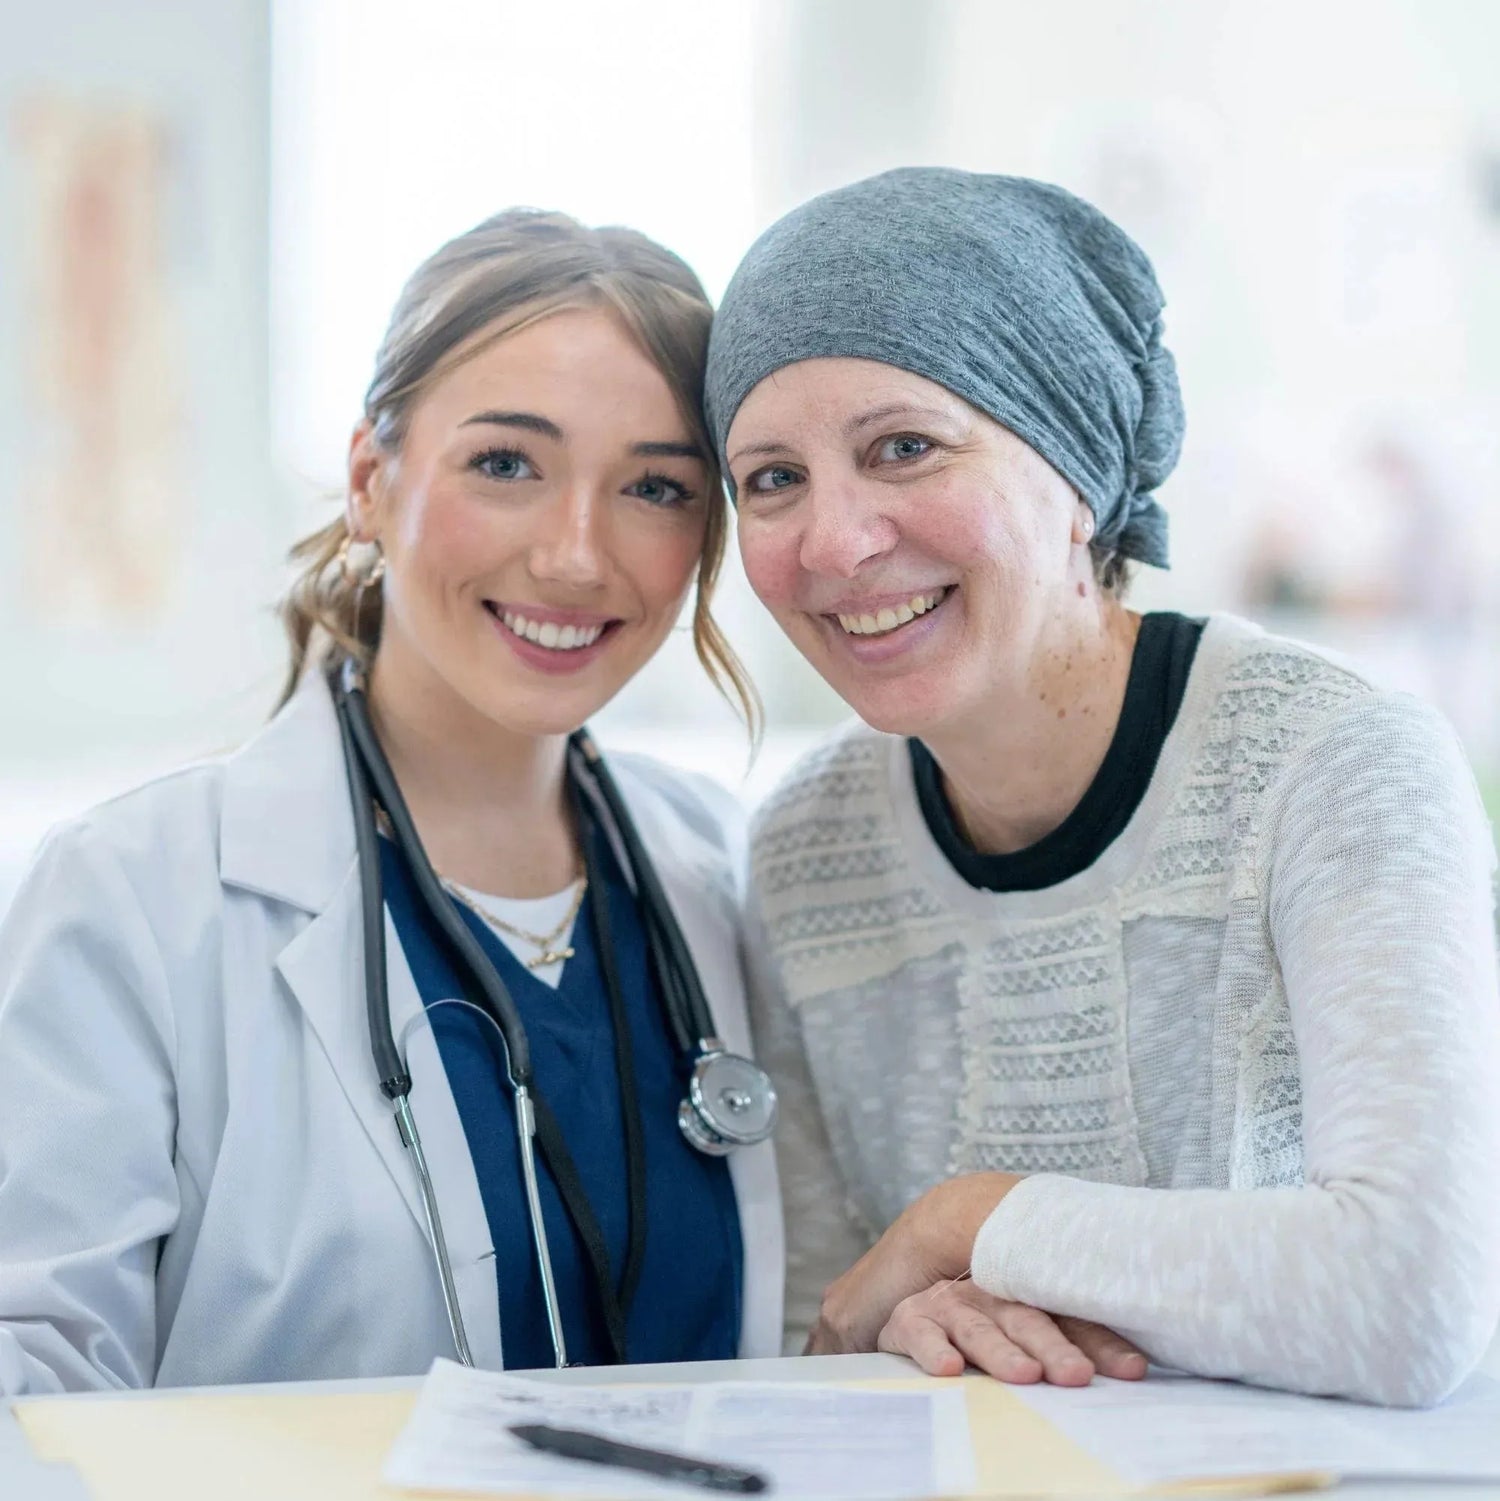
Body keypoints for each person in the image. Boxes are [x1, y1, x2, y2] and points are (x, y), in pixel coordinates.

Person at [706, 167, 1500, 1406]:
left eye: (903, 447)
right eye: (771, 478)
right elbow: (835, 1331)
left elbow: (1416, 1296)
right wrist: (926, 1287)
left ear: (1075, 477)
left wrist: (974, 1219)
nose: (834, 542)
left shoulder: (1336, 764)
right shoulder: (808, 852)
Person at [0, 210, 782, 1394]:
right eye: (506, 464)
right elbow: (33, 1386)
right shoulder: (136, 898)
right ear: (374, 478)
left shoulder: (725, 872)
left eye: (657, 486)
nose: (577, 555)